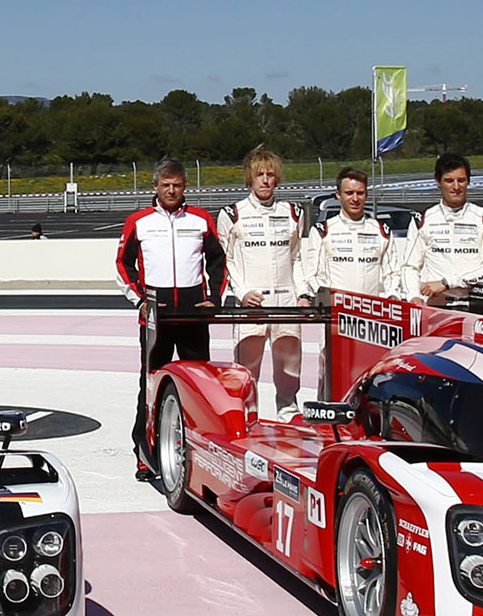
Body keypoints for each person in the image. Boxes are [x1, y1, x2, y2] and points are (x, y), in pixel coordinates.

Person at [116, 158, 224, 467]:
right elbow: (124, 264)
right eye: (166, 185)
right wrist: (141, 300)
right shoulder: (139, 221)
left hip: (193, 315)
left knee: (200, 387)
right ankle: (146, 453)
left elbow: (219, 262)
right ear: (155, 187)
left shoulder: (201, 220)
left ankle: (199, 454)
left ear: (185, 186)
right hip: (155, 318)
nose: (171, 190)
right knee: (150, 386)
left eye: (177, 185)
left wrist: (214, 299)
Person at [223, 147, 307, 415]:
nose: (266, 180)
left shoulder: (293, 213)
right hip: (252, 304)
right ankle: (248, 416)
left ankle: (288, 413)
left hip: (286, 301)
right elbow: (227, 261)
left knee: (289, 367)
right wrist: (243, 292)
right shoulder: (233, 214)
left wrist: (303, 293)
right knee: (247, 371)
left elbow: (297, 258)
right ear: (249, 178)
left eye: (271, 175)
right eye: (260, 174)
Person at [408, 154, 483, 308]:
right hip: (436, 307)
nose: (456, 187)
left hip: (474, 306)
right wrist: (413, 296)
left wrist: (448, 282)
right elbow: (410, 266)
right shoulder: (423, 220)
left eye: (461, 180)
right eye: (449, 181)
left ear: (468, 181)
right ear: (437, 181)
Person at [299, 165, 400, 297]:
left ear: (366, 195)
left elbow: (392, 273)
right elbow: (314, 276)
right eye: (349, 193)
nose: (355, 199)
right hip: (336, 310)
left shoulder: (381, 231)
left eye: (360, 193)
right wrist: (330, 299)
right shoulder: (323, 230)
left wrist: (392, 295)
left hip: (370, 311)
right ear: (338, 195)